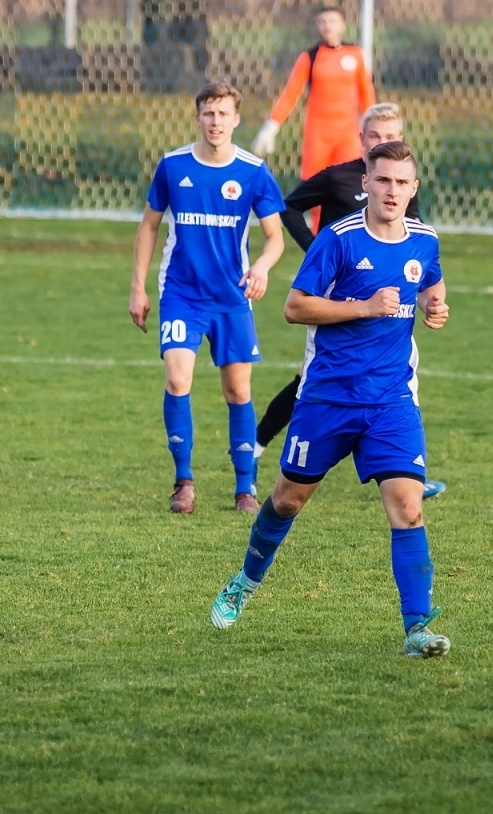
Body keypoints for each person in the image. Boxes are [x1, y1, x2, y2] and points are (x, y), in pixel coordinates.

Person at [208, 141, 453, 658]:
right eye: (382, 180)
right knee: (287, 500)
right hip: (328, 398)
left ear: (414, 189)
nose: (391, 191)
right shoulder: (338, 240)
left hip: (390, 399)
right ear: (365, 182)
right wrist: (363, 307)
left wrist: (435, 305)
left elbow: (431, 282)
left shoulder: (425, 240)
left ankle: (417, 629)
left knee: (408, 506)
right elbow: (295, 308)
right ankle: (246, 581)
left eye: (401, 183)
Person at [256, 101, 447, 500]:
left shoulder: (417, 224)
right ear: (363, 151)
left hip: (390, 341)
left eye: (391, 136)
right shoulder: (340, 189)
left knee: (401, 381)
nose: (391, 189)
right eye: (375, 136)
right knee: (306, 385)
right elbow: (290, 212)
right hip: (333, 321)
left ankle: (405, 466)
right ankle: (261, 447)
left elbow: (426, 271)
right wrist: (314, 252)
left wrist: (433, 302)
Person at [129, 82, 286, 515]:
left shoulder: (253, 171)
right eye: (208, 114)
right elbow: (148, 227)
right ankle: (183, 483)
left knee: (238, 391)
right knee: (178, 380)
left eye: (223, 114)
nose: (215, 122)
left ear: (237, 119)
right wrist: (138, 287)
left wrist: (261, 268)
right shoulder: (173, 166)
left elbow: (275, 239)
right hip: (181, 294)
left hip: (231, 298)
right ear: (197, 117)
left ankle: (245, 489)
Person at [251, 6, 375, 181]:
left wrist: (373, 126)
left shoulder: (355, 54)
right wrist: (271, 126)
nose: (327, 26)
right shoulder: (309, 57)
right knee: (315, 184)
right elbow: (290, 94)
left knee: (348, 183)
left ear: (342, 26)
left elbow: (366, 93)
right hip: (318, 133)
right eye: (322, 22)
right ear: (317, 26)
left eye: (332, 21)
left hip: (348, 133)